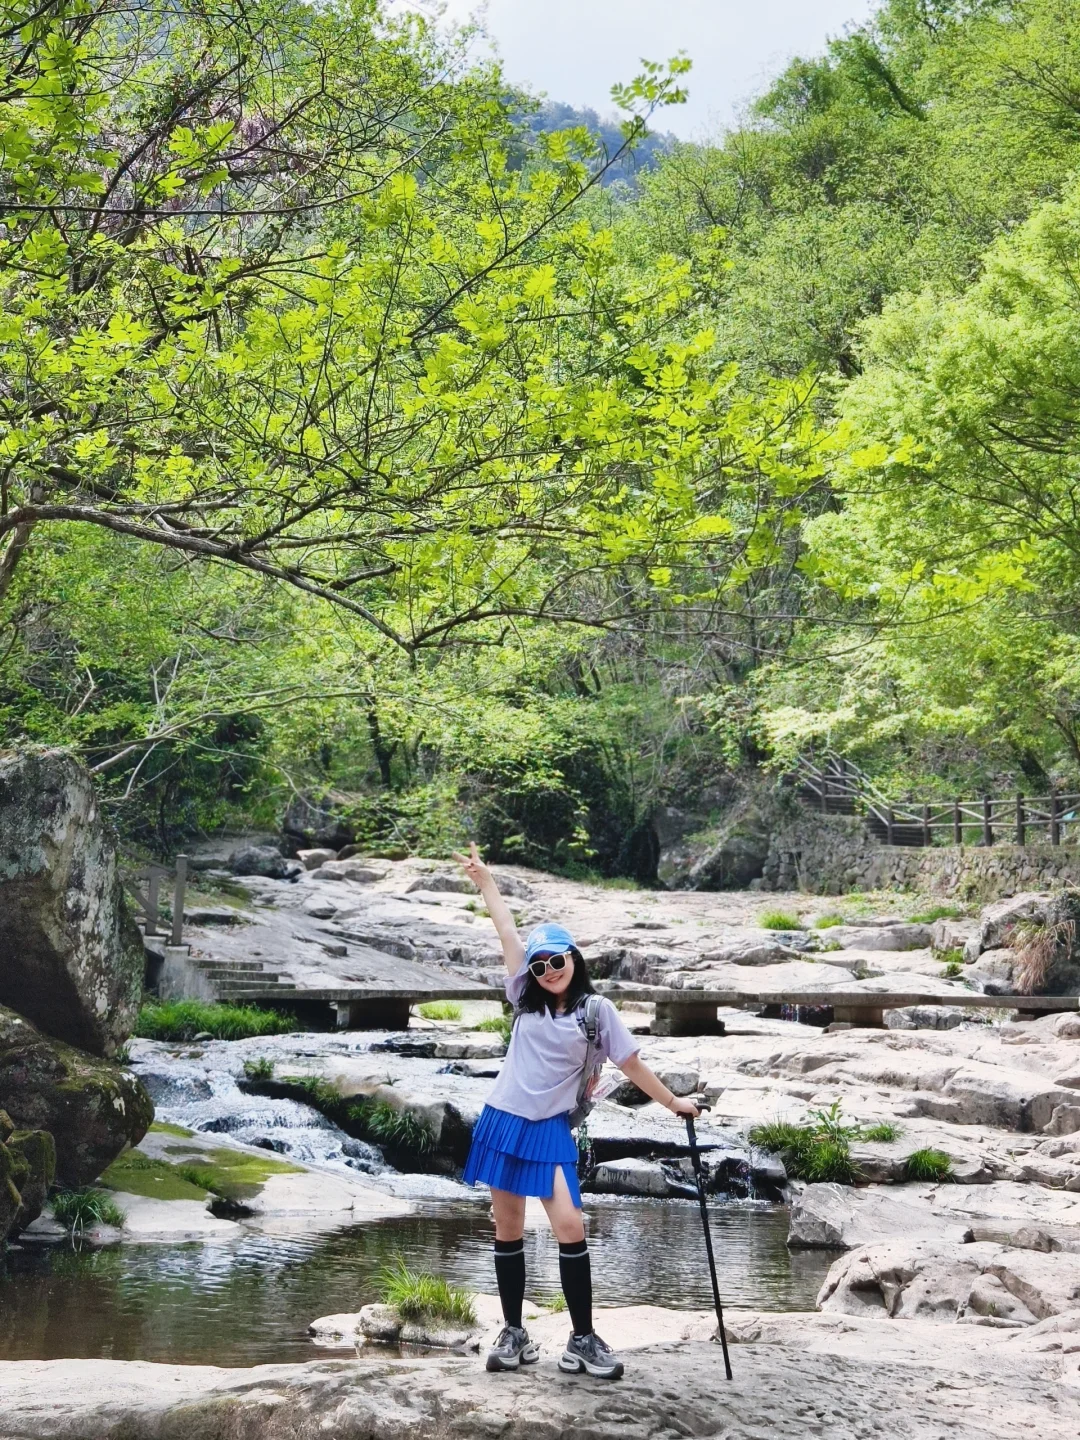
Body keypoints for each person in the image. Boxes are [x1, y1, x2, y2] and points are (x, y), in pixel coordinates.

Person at [452, 842, 700, 1380]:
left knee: (570, 1226)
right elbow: (508, 936)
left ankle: (582, 1340)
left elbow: (632, 1066)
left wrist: (676, 1103)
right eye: (539, 965)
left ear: (573, 959)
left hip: (549, 1130)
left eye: (555, 961)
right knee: (507, 1228)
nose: (546, 970)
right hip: (502, 1120)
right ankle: (514, 1334)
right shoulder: (524, 996)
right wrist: (486, 883)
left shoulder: (597, 1012)